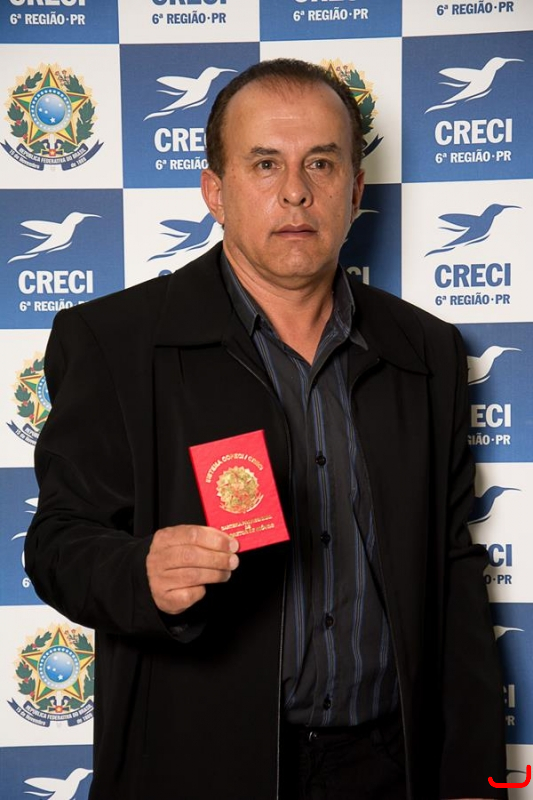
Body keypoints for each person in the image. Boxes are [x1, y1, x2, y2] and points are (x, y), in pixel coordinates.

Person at [25, 59, 507, 800]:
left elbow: (451, 569)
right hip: (196, 765)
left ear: (355, 190)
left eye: (321, 163)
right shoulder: (113, 342)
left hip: (388, 765)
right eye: (264, 164)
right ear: (214, 192)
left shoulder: (427, 351)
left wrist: (475, 778)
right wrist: (139, 573)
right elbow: (58, 542)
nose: (295, 191)